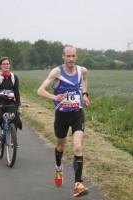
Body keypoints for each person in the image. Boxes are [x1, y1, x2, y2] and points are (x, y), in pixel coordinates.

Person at [37, 45, 90, 197]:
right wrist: (54, 97)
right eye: (68, 56)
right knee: (60, 147)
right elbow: (40, 90)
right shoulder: (57, 72)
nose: (71, 59)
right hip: (61, 116)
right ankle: (59, 168)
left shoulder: (82, 70)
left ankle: (78, 185)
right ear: (63, 56)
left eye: (73, 56)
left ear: (76, 57)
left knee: (78, 147)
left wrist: (85, 94)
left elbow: (85, 79)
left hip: (77, 114)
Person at [0, 57, 22, 145]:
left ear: (10, 65)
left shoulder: (14, 77)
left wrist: (18, 105)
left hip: (10, 102)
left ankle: (13, 139)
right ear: (0, 66)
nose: (6, 65)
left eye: (8, 64)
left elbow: (16, 92)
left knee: (14, 119)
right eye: (4, 64)